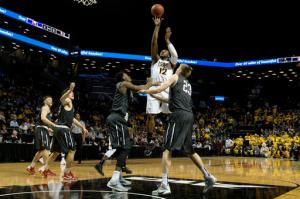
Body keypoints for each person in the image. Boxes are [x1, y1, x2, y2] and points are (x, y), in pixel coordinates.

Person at [140, 64, 216, 195]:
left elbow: (160, 89)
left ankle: (164, 184)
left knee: (166, 148)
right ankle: (208, 176)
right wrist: (153, 96)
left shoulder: (175, 76)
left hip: (178, 116)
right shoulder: (188, 85)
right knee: (189, 150)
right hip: (188, 116)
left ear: (180, 69)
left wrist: (146, 90)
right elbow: (169, 100)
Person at [103, 71, 159, 192]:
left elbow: (141, 89)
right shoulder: (122, 83)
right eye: (127, 74)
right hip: (116, 117)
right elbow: (140, 87)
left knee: (124, 147)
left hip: (120, 119)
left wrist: (153, 84)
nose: (129, 75)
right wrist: (150, 83)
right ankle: (114, 180)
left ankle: (118, 177)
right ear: (123, 77)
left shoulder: (126, 88)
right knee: (125, 147)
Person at [44, 83, 88, 180]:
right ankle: (67, 173)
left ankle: (45, 169)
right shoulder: (67, 100)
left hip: (58, 128)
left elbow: (71, 119)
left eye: (72, 92)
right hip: (64, 129)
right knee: (72, 150)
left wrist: (82, 127)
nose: (73, 93)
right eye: (71, 92)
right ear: (67, 94)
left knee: (55, 152)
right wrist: (70, 89)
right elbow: (61, 99)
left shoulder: (68, 106)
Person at [146, 17, 178, 147]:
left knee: (170, 115)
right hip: (154, 89)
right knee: (150, 115)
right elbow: (154, 43)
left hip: (166, 90)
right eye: (162, 50)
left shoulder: (171, 64)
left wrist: (167, 40)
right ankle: (149, 140)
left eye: (165, 50)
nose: (163, 50)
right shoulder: (156, 60)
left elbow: (175, 55)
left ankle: (171, 138)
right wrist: (157, 27)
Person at [26, 96, 56, 176]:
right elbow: (43, 118)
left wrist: (49, 129)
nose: (50, 101)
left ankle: (31, 167)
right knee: (46, 149)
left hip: (42, 129)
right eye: (49, 99)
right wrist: (53, 124)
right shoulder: (45, 107)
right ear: (44, 101)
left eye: (51, 100)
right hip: (41, 129)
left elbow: (42, 121)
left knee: (41, 151)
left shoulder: (47, 109)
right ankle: (46, 169)